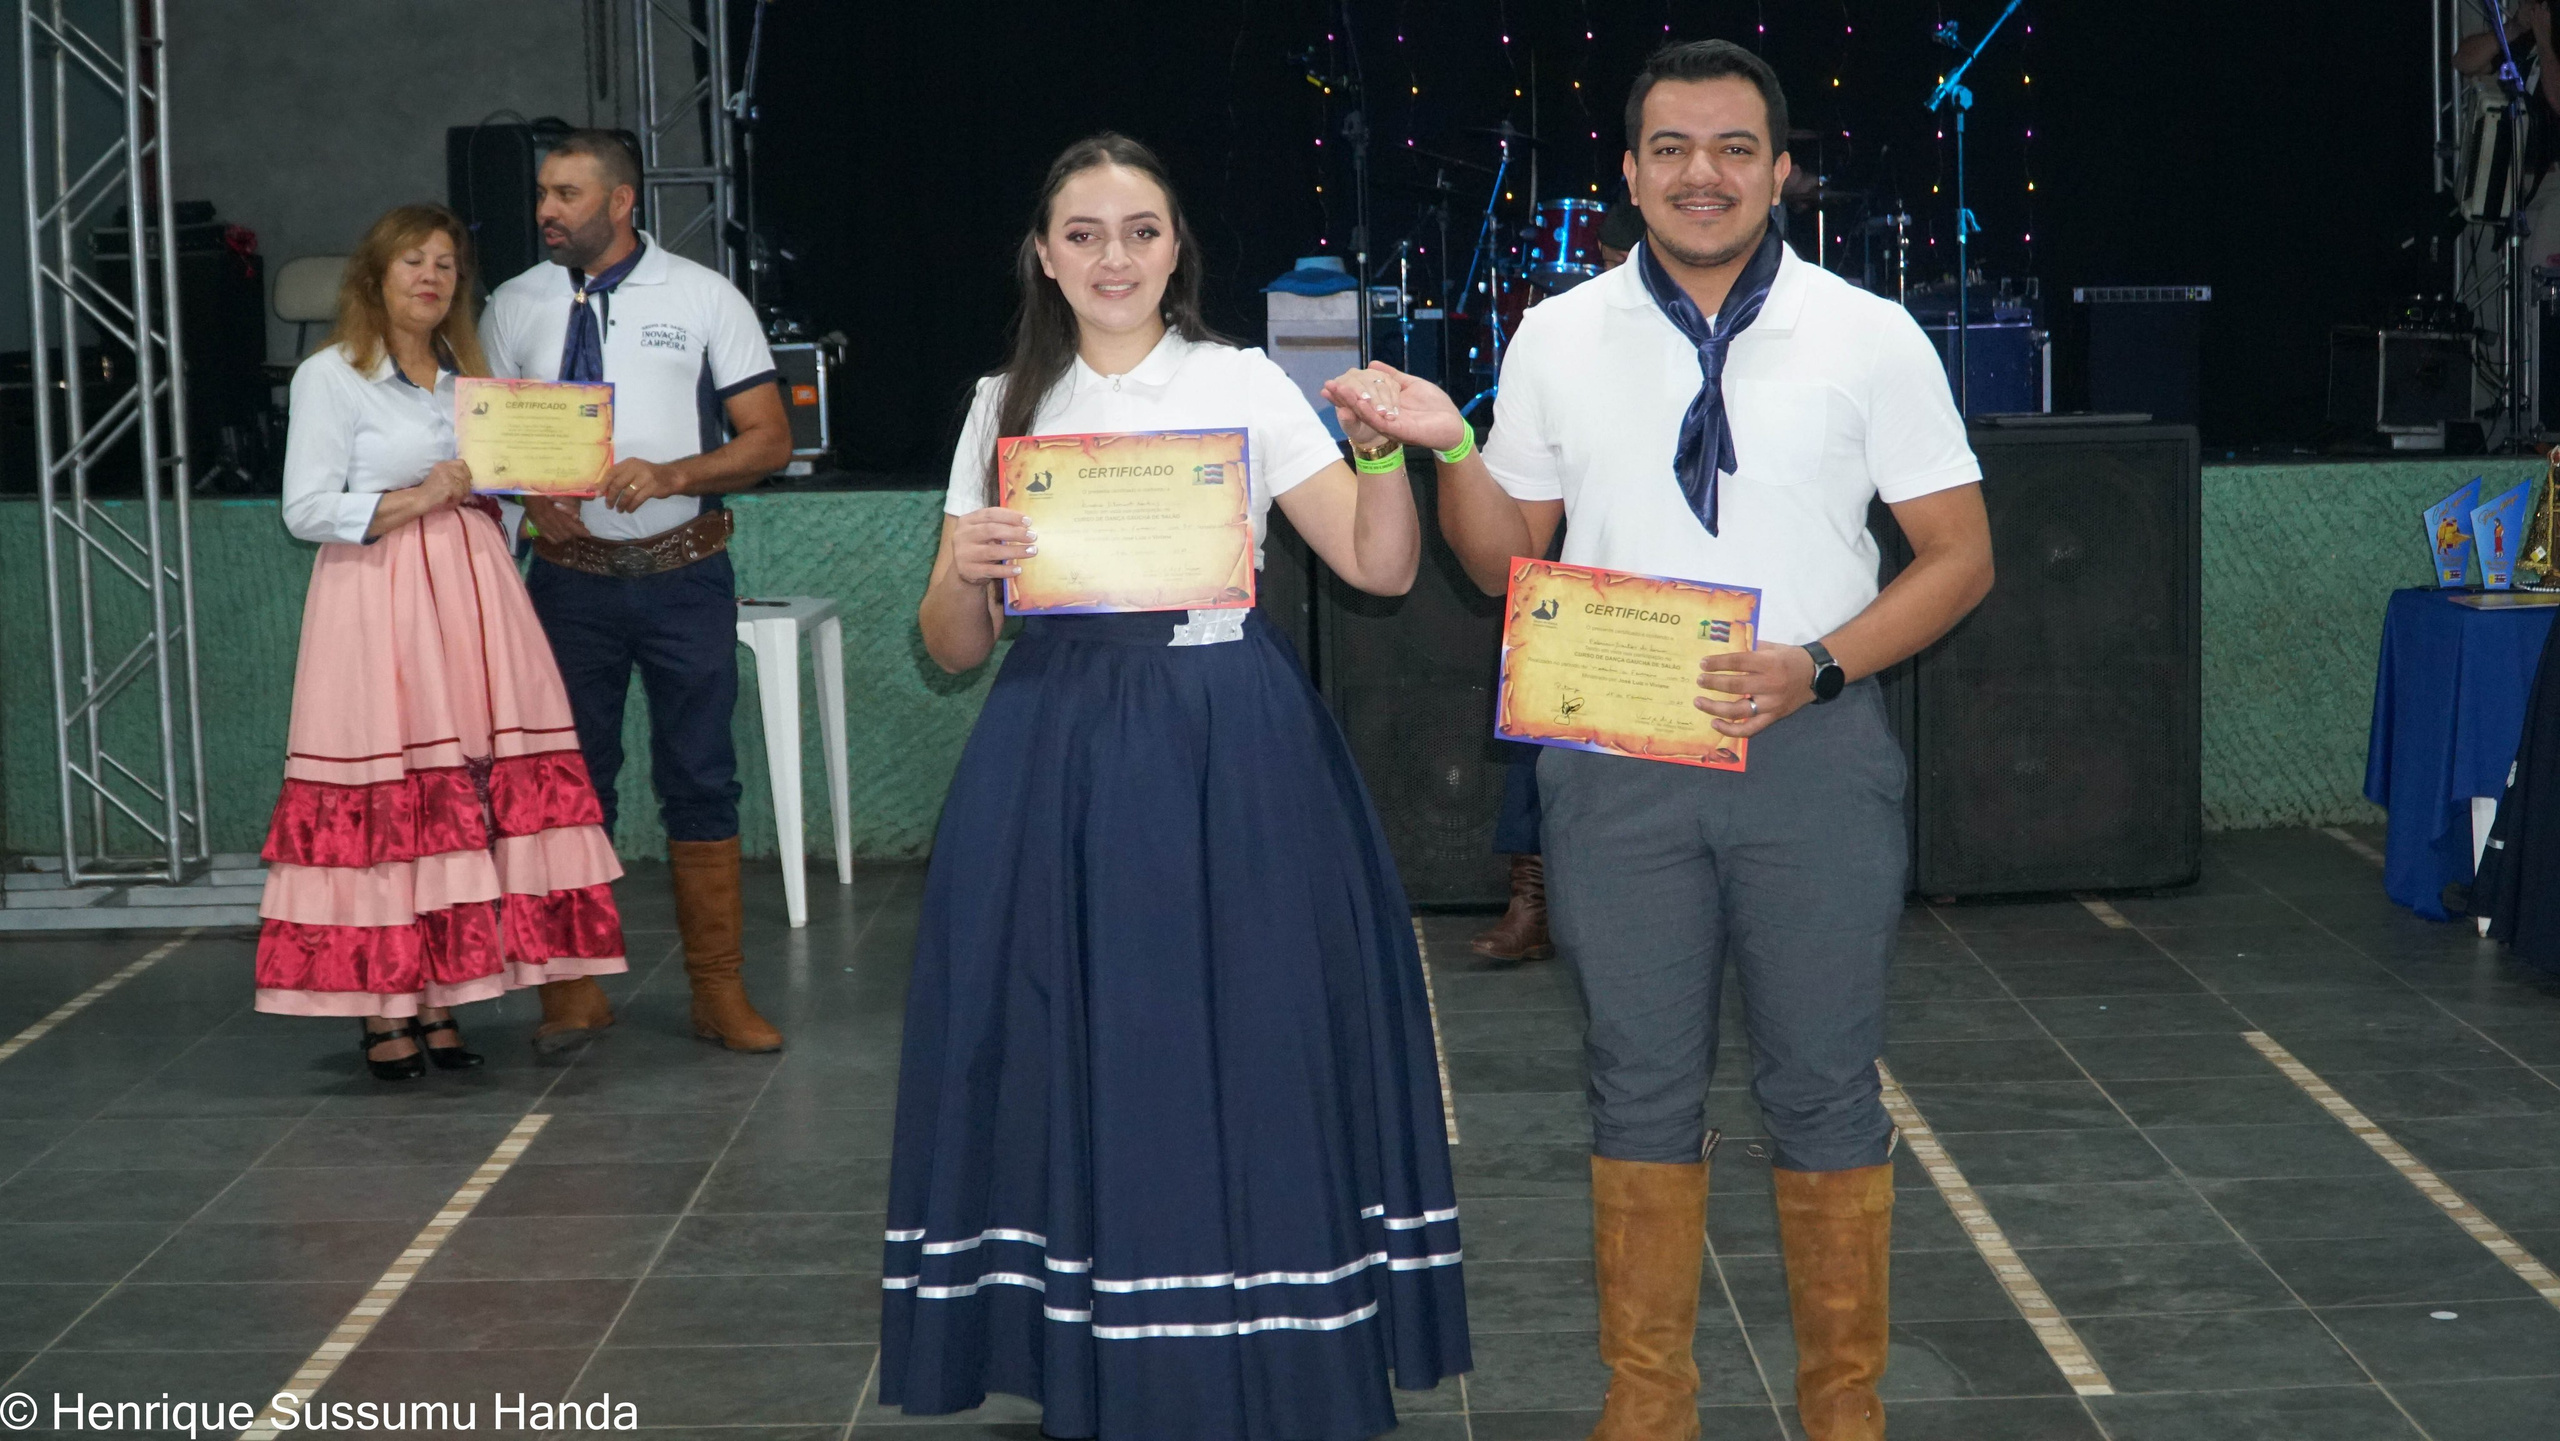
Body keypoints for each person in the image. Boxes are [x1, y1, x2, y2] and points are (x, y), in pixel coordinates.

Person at [1334, 39, 1995, 1441]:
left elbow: (1959, 558)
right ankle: (1646, 1409)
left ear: (1782, 170)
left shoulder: (1870, 335)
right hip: (1614, 758)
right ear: (1629, 172)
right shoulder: (1560, 333)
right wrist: (1451, 450)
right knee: (1635, 1081)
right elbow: (1507, 556)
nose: (1706, 174)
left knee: (1822, 1083)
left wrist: (1815, 667)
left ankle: (1844, 1415)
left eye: (1737, 147)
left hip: (1813, 749)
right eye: (1675, 149)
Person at [880, 133, 1470, 1441]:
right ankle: (1089, 1342)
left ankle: (1264, 1337)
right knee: (1066, 1044)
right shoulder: (1003, 403)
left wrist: (1379, 452)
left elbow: (1375, 569)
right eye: (1084, 233)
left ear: (1175, 250)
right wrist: (964, 567)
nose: (1113, 256)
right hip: (1056, 742)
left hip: (1224, 736)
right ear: (1044, 254)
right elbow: (951, 648)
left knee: (1243, 1038)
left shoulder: (1244, 383)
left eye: (1140, 230)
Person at [257, 204, 628, 1081]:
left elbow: (500, 480)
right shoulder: (332, 376)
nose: (431, 277)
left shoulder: (469, 380)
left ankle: (438, 997)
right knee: (392, 791)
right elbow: (305, 510)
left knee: (459, 791)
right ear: (374, 276)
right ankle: (386, 1007)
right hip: (379, 594)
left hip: (469, 596)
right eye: (413, 261)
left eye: (447, 264)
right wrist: (421, 500)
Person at [480, 130, 795, 1055]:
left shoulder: (703, 296)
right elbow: (485, 440)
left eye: (568, 194)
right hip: (566, 586)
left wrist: (671, 473)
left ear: (622, 203)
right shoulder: (512, 304)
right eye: (543, 192)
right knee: (571, 783)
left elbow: (768, 440)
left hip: (685, 575)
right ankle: (571, 988)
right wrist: (534, 500)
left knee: (701, 774)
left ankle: (718, 992)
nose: (547, 209)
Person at [1471, 203, 1644, 964]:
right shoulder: (1566, 334)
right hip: (1589, 573)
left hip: (1699, 589)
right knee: (1537, 656)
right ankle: (1530, 894)